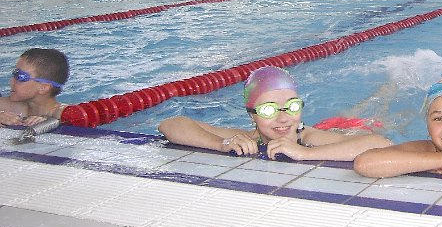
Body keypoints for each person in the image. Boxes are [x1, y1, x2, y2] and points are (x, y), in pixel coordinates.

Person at [158, 66, 391, 160]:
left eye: (292, 106)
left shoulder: (307, 137)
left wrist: (304, 153)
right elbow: (171, 124)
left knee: (376, 109)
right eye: (269, 110)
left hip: (352, 128)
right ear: (252, 114)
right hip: (330, 125)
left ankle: (390, 86)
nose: (282, 118)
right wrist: (221, 143)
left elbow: (380, 143)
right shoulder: (249, 137)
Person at [0, 48, 69, 127]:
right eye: (14, 73)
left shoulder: (62, 113)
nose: (11, 82)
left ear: (43, 87)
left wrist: (49, 122)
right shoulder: (12, 105)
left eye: (20, 77)